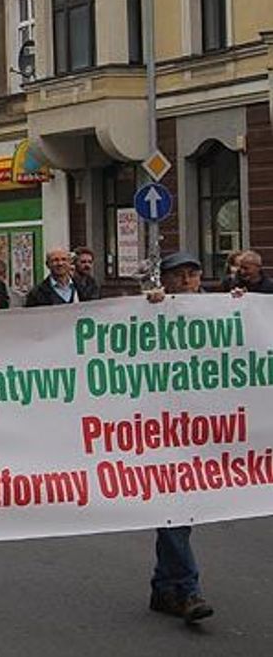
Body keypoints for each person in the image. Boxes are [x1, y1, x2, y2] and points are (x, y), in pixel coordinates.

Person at [144, 251, 215, 624]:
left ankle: (163, 587)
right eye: (178, 275)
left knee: (179, 512)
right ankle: (187, 591)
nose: (186, 281)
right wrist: (151, 305)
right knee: (174, 508)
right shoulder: (153, 309)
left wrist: (242, 303)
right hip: (159, 432)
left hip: (201, 430)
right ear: (166, 280)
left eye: (192, 274)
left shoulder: (219, 310)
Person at [25, 247, 97, 307]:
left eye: (64, 259)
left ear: (70, 263)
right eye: (55, 260)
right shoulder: (37, 293)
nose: (60, 263)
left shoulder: (83, 288)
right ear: (47, 264)